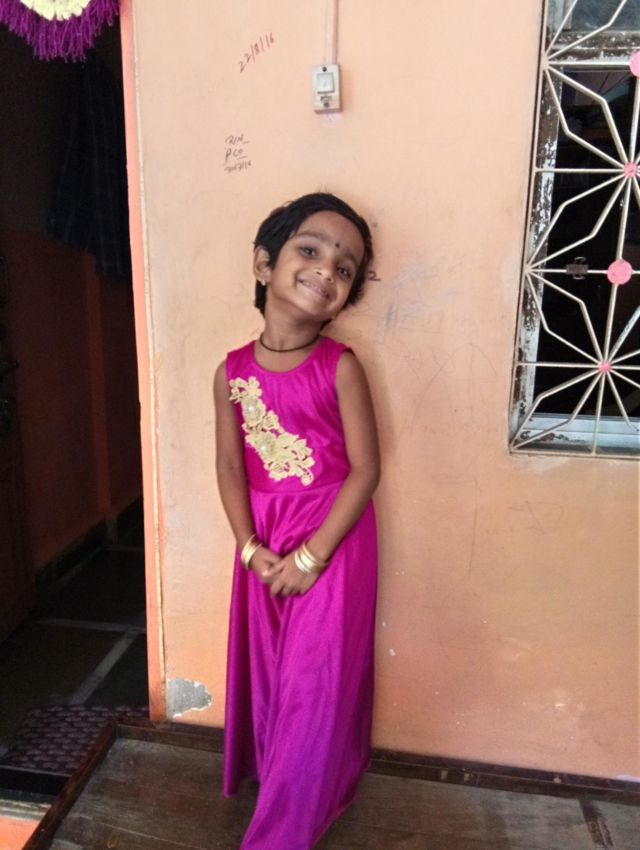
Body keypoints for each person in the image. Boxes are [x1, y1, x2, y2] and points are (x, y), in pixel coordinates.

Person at [213, 192, 380, 849]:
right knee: (270, 672)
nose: (326, 270)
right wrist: (248, 547)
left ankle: (282, 832)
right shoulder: (230, 372)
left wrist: (313, 556)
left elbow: (365, 471)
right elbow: (231, 465)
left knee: (316, 678)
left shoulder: (341, 367)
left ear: (346, 297)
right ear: (265, 264)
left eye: (345, 267)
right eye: (310, 250)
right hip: (264, 537)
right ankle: (283, 778)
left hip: (334, 537)